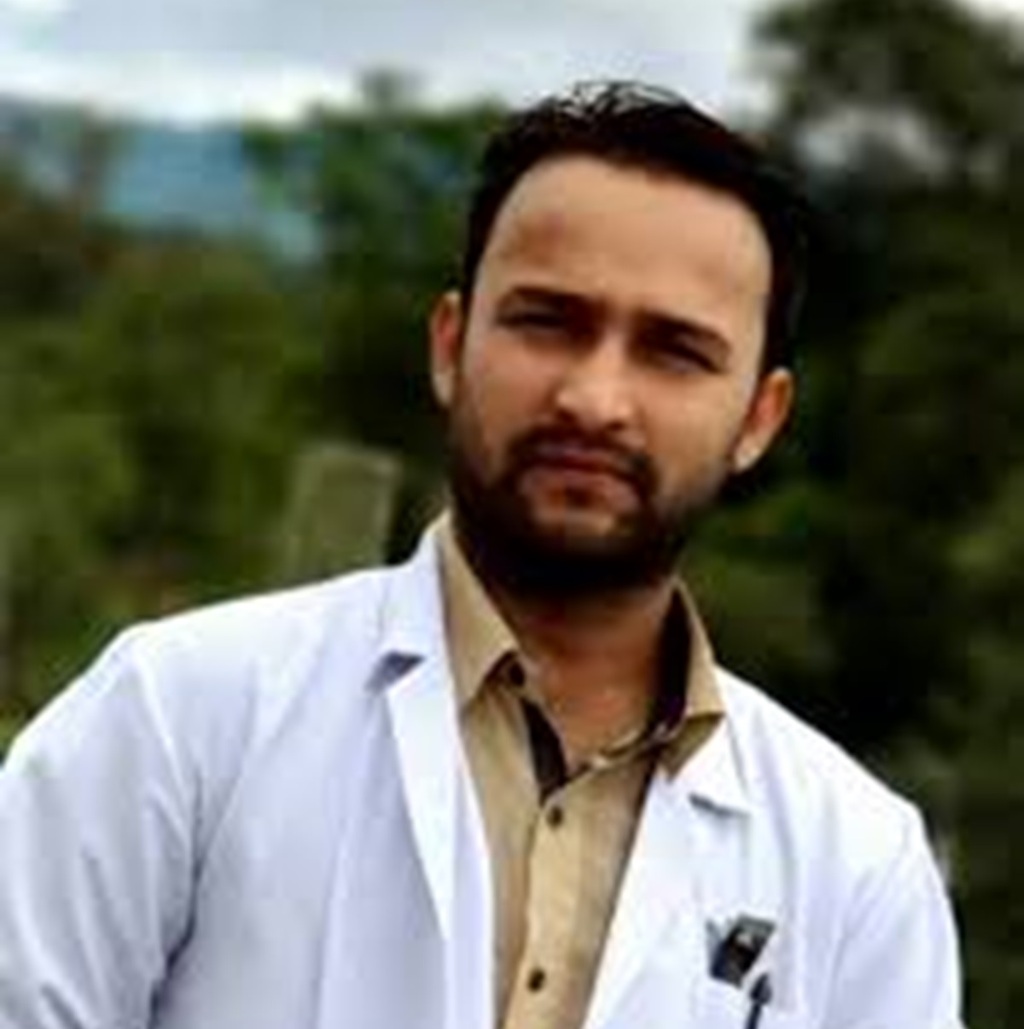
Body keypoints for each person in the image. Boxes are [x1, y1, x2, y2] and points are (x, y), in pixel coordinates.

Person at [0, 81, 963, 1029]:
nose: (594, 398)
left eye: (675, 350)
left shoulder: (856, 864)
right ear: (451, 345)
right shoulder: (177, 717)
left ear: (759, 417)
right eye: (548, 321)